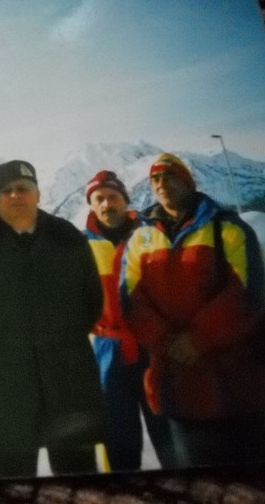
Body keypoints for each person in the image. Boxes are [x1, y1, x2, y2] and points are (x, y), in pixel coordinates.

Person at [0, 160, 105, 479]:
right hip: (7, 383)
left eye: (23, 189)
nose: (16, 196)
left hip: (68, 378)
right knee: (11, 479)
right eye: (7, 191)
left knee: (79, 479)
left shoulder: (68, 239)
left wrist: (59, 340)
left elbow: (92, 302)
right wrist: (4, 348)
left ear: (38, 194)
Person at [120, 152, 265, 468]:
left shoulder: (228, 228)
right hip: (179, 388)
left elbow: (250, 293)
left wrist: (197, 339)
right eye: (155, 179)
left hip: (239, 386)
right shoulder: (140, 240)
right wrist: (167, 341)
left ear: (188, 181)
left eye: (170, 175)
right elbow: (131, 301)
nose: (162, 183)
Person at [83, 170, 174, 471]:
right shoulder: (80, 248)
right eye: (100, 199)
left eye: (113, 197)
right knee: (117, 440)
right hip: (108, 351)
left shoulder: (150, 236)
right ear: (92, 205)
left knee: (169, 433)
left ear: (125, 200)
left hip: (153, 345)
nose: (107, 204)